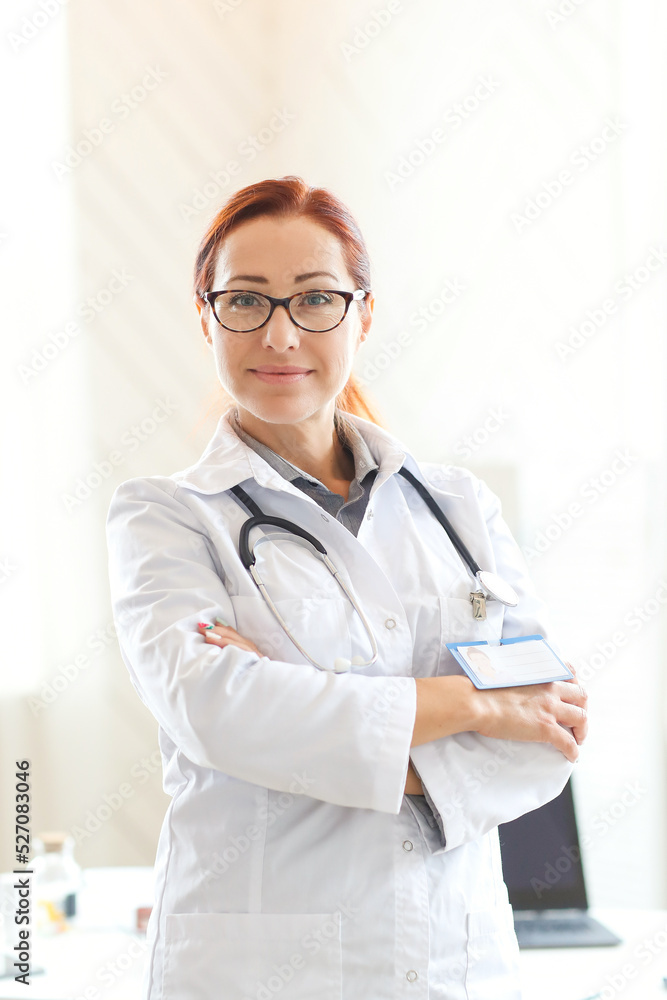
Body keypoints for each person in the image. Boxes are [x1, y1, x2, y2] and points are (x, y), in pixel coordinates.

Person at [106, 175, 588, 1000]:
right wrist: (473, 704)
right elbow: (220, 712)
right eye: (245, 300)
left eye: (315, 299)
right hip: (260, 976)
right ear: (206, 318)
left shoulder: (457, 507)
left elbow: (545, 734)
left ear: (362, 315)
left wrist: (303, 722)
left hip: (456, 965)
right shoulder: (167, 517)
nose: (280, 332)